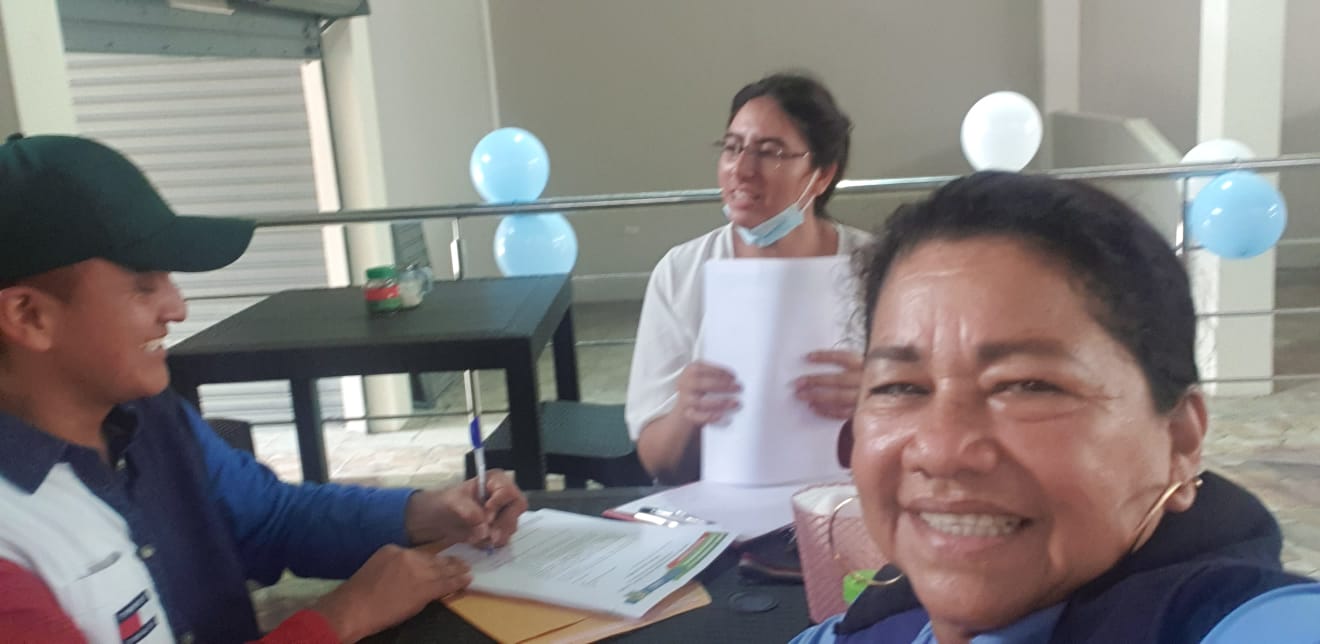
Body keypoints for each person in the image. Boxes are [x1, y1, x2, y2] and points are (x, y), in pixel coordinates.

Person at [0, 134, 529, 644]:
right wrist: (341, 618)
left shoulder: (149, 416)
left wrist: (427, 512)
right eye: (143, 287)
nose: (177, 308)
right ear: (29, 316)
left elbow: (269, 517)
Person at [792, 172, 1320, 644]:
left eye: (1027, 386)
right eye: (900, 387)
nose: (941, 451)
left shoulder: (1244, 622)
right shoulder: (876, 623)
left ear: (1179, 440)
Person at [626, 72, 871, 484]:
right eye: (732, 147)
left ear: (822, 175)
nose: (741, 169)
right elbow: (659, 463)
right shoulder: (681, 272)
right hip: (721, 507)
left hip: (848, 502)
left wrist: (878, 399)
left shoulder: (878, 268)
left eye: (770, 152)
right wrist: (688, 411)